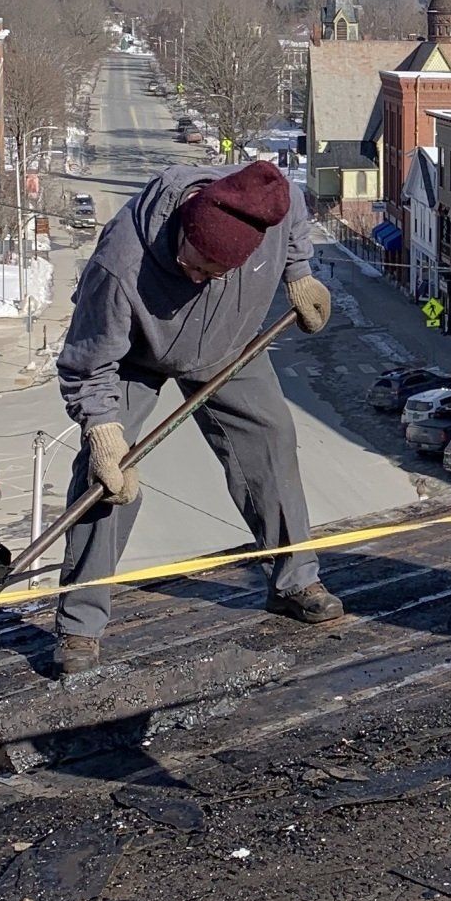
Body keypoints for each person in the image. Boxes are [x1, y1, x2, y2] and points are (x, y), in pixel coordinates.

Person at [52, 157, 343, 674]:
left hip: (226, 347)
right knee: (109, 480)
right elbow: (87, 362)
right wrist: (102, 430)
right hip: (132, 357)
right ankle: (80, 626)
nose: (199, 277)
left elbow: (296, 210)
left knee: (272, 439)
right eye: (194, 264)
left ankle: (296, 580)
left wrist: (299, 274)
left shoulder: (267, 207)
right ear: (187, 223)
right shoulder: (121, 263)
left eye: (215, 274)